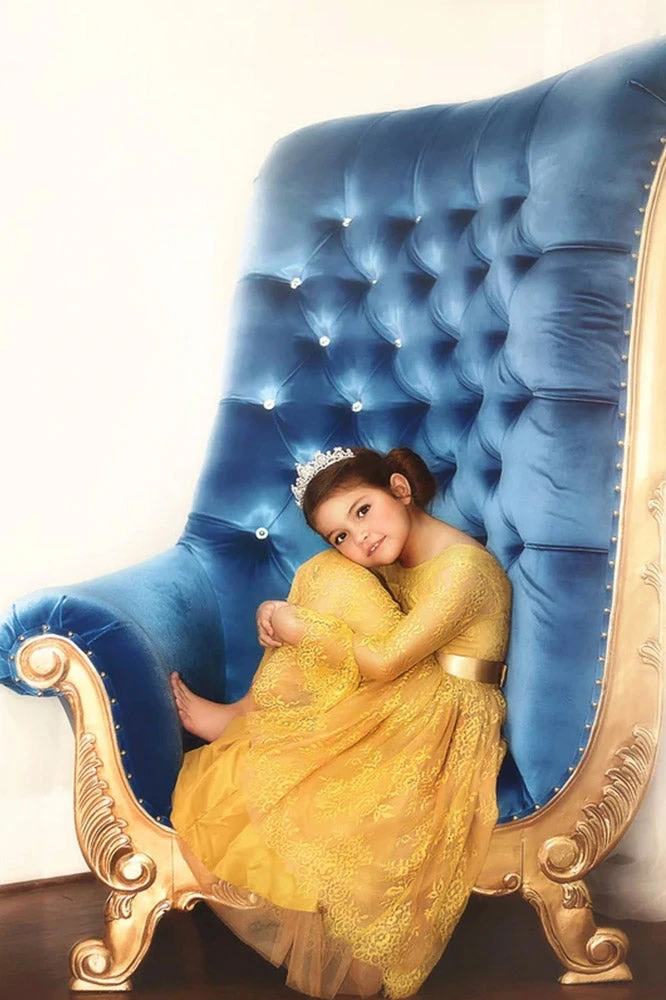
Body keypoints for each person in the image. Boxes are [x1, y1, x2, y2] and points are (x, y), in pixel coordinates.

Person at [168, 445, 512, 1000]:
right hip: (413, 686)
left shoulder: (465, 571)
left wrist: (296, 625)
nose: (361, 539)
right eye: (341, 535)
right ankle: (244, 711)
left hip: (446, 713)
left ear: (400, 489)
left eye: (363, 510)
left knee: (326, 580)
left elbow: (385, 660)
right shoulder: (393, 555)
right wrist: (275, 613)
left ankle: (243, 715)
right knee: (323, 573)